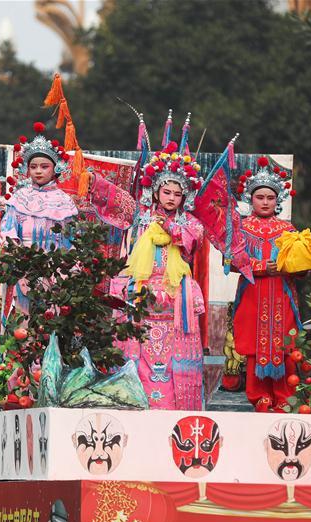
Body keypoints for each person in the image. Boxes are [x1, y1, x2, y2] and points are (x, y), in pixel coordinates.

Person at [88, 136, 219, 410]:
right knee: (136, 357)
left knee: (174, 365)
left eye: (177, 194)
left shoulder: (190, 223)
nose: (171, 198)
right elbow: (115, 201)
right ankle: (136, 406)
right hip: (140, 297)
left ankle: (175, 411)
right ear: (156, 191)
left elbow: (189, 242)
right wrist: (94, 182)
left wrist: (168, 227)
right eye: (166, 192)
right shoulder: (140, 218)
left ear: (185, 196)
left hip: (176, 302)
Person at [213, 156, 304, 412]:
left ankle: (285, 398)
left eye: (270, 198)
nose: (265, 202)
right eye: (260, 197)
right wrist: (264, 267)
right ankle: (260, 396)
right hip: (254, 292)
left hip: (282, 293)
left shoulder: (289, 230)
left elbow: (300, 266)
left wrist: (301, 267)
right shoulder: (241, 227)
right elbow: (230, 261)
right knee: (255, 345)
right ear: (250, 199)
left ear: (278, 200)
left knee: (285, 345)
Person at [0, 121, 78, 314]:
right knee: (23, 326)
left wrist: (69, 268)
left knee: (52, 323)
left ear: (54, 168)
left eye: (44, 166)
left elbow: (71, 240)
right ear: (27, 169)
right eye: (33, 166)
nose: (38, 171)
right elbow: (8, 231)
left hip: (55, 271)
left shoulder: (64, 201)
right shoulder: (18, 198)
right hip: (24, 270)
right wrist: (18, 255)